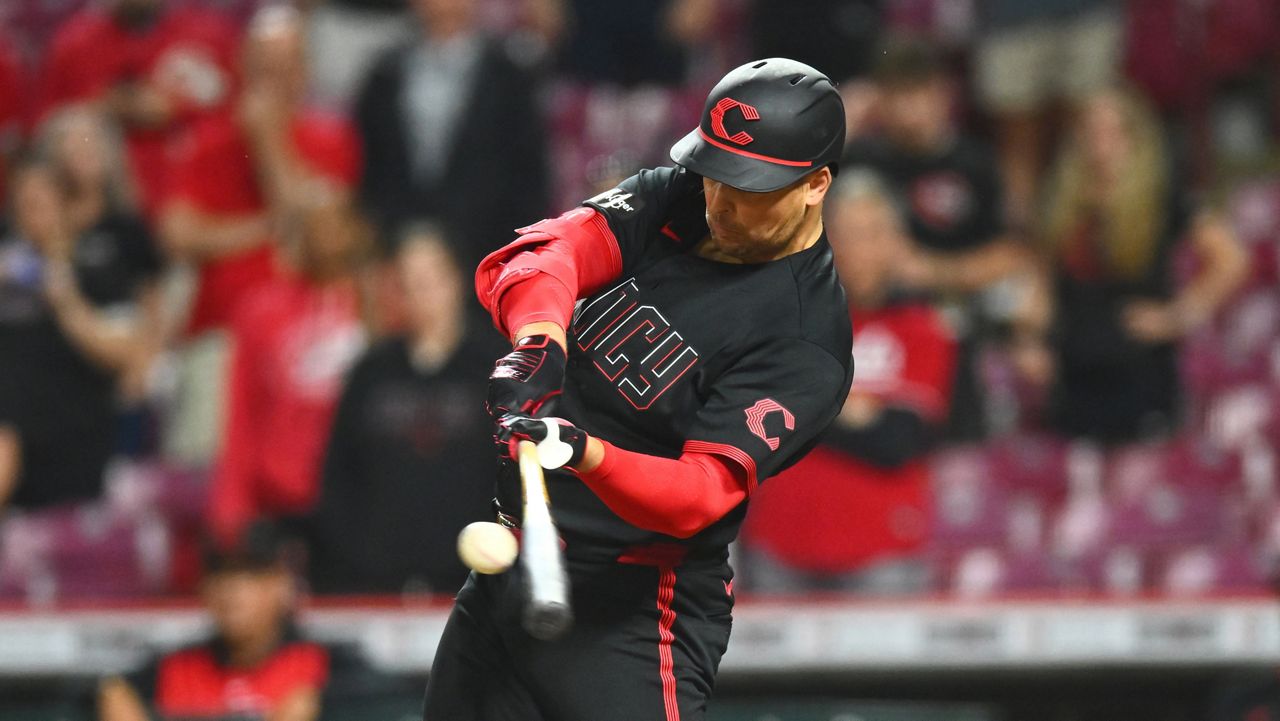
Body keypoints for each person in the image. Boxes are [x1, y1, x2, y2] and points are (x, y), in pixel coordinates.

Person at [423, 58, 854, 720]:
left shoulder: (805, 340)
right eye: (715, 174)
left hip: (632, 617)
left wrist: (584, 451)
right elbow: (544, 254)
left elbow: (697, 496)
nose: (720, 203)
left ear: (816, 184)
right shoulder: (680, 198)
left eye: (750, 187)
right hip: (511, 574)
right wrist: (541, 344)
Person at [158, 6, 362, 467]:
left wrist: (268, 142)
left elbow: (320, 232)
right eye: (263, 68)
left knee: (296, 471)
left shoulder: (331, 138)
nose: (273, 81)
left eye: (285, 67)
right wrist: (267, 227)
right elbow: (178, 235)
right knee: (206, 468)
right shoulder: (206, 139)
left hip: (305, 337)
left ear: (304, 72)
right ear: (243, 70)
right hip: (220, 333)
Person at [740, 171, 955, 595]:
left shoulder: (923, 330)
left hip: (882, 549)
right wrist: (854, 408)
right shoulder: (784, 321)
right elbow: (755, 418)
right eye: (848, 234)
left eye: (873, 233)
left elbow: (897, 440)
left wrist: (807, 403)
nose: (860, 249)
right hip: (778, 542)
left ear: (896, 243)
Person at [1014, 87, 1245, 443]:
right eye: (1090, 130)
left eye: (1113, 131)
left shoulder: (1161, 198)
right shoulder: (1061, 202)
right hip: (1073, 374)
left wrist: (1179, 315)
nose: (1100, 142)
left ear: (1135, 139)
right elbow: (1041, 284)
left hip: (1140, 374)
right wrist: (1029, 339)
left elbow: (1231, 258)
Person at [843, 36, 1024, 441]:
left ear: (943, 94)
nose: (908, 108)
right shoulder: (863, 157)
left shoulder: (974, 162)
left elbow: (1011, 255)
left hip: (952, 315)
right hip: (868, 317)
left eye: (918, 92)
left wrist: (929, 269)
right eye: (896, 94)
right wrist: (847, 123)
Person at [308, 226, 503, 594]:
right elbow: (339, 472)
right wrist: (355, 556)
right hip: (376, 581)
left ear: (456, 280)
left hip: (473, 580)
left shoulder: (496, 369)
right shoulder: (371, 372)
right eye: (408, 282)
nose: (419, 294)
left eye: (429, 279)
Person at [207, 156, 370, 544]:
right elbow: (241, 414)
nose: (323, 235)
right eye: (310, 223)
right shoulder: (260, 310)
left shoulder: (382, 305)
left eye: (333, 221)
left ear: (355, 229)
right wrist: (231, 509)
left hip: (362, 499)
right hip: (282, 501)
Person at [0, 154, 161, 511]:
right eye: (23, 206)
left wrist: (66, 301)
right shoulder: (7, 266)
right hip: (12, 437)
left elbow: (128, 351)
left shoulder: (97, 266)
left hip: (76, 444)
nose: (31, 215)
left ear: (65, 206)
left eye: (40, 203)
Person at [352, 0, 550, 272]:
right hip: (398, 252)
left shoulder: (509, 77)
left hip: (486, 253)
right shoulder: (384, 75)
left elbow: (528, 176)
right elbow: (372, 168)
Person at [97, 522, 330, 721]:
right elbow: (114, 689)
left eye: (249, 575)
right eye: (221, 575)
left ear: (282, 585)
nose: (232, 591)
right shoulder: (177, 668)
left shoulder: (320, 666)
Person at [37, 0, 239, 214]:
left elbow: (239, 112)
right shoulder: (74, 46)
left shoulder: (211, 35)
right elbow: (43, 136)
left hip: (202, 196)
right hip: (108, 209)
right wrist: (104, 109)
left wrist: (179, 106)